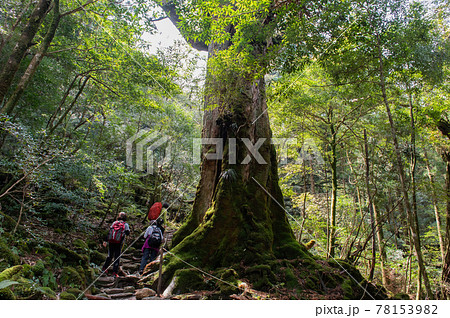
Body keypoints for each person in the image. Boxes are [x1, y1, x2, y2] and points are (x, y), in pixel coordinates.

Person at [102, 212, 130, 277]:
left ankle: (104, 268)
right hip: (119, 242)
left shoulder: (114, 223)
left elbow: (109, 232)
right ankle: (114, 272)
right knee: (117, 257)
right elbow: (128, 233)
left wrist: (105, 240)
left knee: (110, 255)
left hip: (111, 241)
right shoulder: (125, 224)